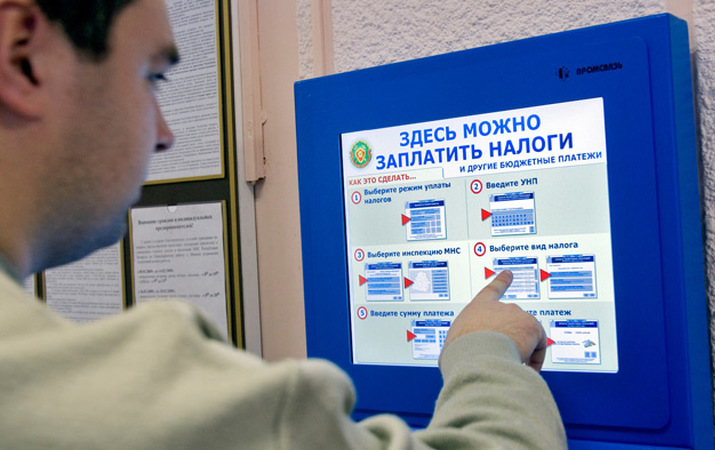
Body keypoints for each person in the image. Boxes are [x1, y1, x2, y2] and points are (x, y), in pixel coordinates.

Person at [0, 0, 567, 448]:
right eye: (152, 77)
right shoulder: (137, 393)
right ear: (22, 55)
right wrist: (481, 349)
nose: (165, 135)